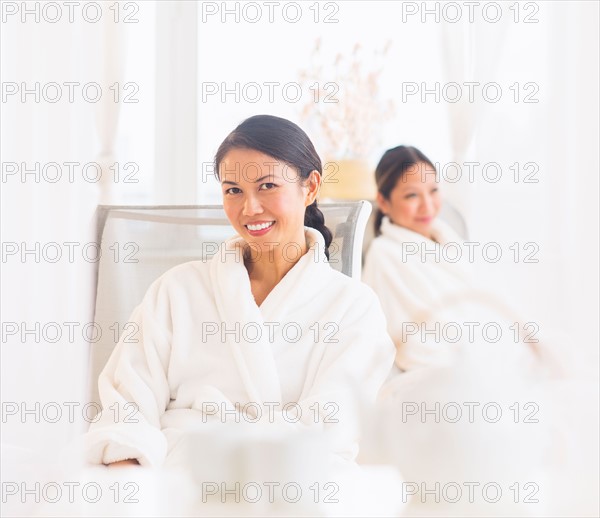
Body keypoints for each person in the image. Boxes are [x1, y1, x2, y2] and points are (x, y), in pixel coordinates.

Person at [85, 115, 395, 470]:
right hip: (174, 481)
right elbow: (126, 414)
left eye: (266, 186)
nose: (250, 209)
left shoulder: (354, 308)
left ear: (310, 187)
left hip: (293, 490)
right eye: (233, 190)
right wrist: (132, 495)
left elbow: (328, 433)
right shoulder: (177, 290)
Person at [362, 145, 473, 371]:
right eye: (412, 195)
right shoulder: (384, 255)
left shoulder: (451, 242)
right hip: (436, 374)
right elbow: (408, 344)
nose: (427, 206)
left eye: (433, 191)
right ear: (383, 202)